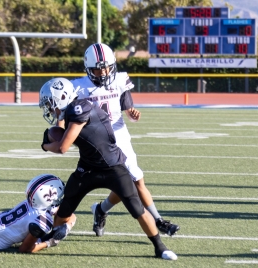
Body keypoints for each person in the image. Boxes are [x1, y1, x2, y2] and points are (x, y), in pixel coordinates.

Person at [39, 77, 177, 260]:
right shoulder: (73, 108)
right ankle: (53, 235)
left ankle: (160, 247)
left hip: (112, 166)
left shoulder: (79, 108)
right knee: (66, 206)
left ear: (62, 97)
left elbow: (63, 147)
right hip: (88, 166)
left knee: (136, 208)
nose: (49, 108)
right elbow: (59, 129)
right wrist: (51, 134)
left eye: (50, 103)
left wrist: (45, 145)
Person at [70, 43, 180, 237]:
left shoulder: (120, 80)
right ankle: (99, 210)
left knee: (136, 179)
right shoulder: (79, 87)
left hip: (118, 134)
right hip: (97, 140)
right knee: (122, 182)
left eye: (106, 67)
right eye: (98, 68)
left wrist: (133, 114)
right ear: (88, 68)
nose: (103, 72)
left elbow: (128, 109)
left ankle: (158, 220)